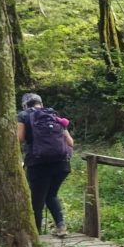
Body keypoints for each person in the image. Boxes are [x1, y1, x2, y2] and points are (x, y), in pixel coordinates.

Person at [17, 92, 74, 236]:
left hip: (38, 163)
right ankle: (61, 227)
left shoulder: (23, 116)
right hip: (62, 164)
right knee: (51, 195)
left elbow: (19, 138)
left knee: (37, 201)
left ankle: (36, 236)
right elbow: (70, 142)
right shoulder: (53, 115)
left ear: (24, 105)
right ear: (40, 103)